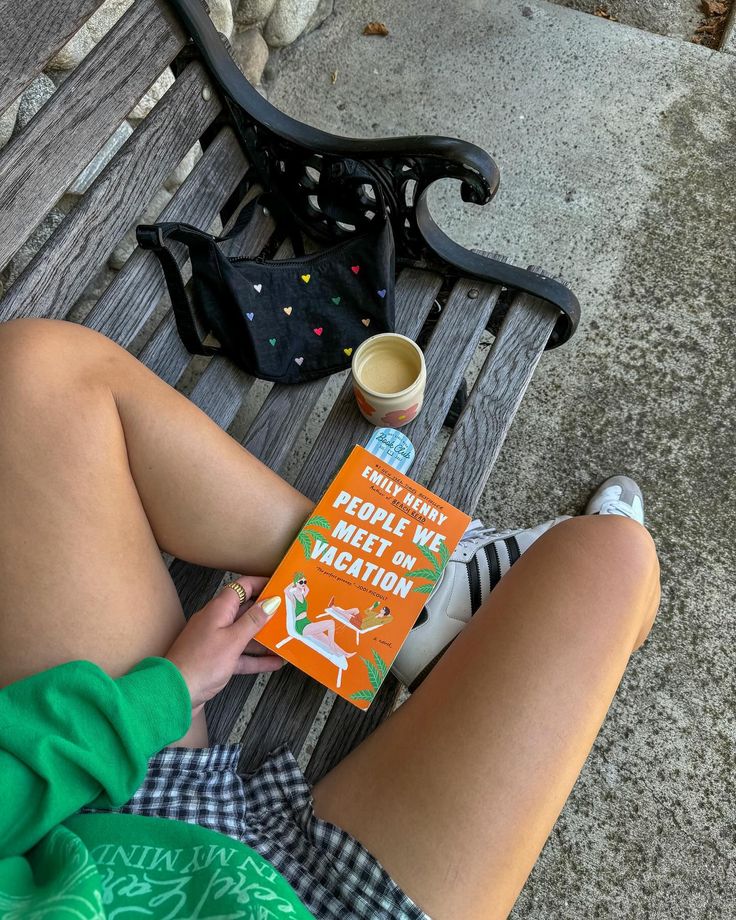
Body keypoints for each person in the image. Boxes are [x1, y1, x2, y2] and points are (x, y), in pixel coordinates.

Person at [0, 318, 660, 920]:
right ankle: (404, 591)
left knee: (39, 375)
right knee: (614, 562)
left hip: (102, 831)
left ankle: (407, 592)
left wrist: (162, 692)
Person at [285, 574, 355, 658]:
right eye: (301, 582)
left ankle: (345, 654)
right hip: (301, 626)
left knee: (327, 639)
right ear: (296, 583)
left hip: (307, 623)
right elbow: (286, 590)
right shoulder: (294, 598)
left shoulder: (303, 596)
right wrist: (294, 583)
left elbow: (307, 589)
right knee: (331, 623)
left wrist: (302, 583)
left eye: (304, 582)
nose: (303, 584)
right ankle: (332, 648)